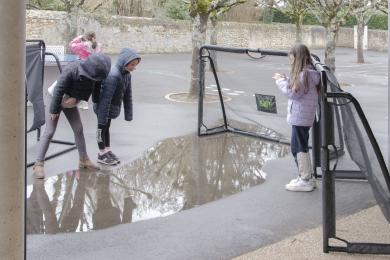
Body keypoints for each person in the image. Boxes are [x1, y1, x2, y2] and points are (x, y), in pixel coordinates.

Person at [32, 53, 111, 179]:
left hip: (71, 100)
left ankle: (83, 159)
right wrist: (54, 110)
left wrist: (78, 99)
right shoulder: (72, 69)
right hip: (55, 99)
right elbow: (58, 90)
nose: (96, 80)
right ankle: (38, 163)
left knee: (78, 129)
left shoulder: (95, 75)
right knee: (50, 131)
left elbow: (90, 91)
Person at [273, 43, 320, 192]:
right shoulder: (308, 73)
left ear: (297, 57)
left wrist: (280, 81)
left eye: (291, 56)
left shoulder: (304, 74)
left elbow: (292, 93)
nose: (290, 59)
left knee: (298, 148)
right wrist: (286, 78)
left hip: (300, 117)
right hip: (303, 117)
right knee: (301, 146)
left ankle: (305, 179)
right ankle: (306, 177)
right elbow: (297, 88)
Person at [93, 48, 141, 165]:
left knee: (107, 128)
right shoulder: (113, 76)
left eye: (136, 65)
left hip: (111, 108)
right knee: (101, 129)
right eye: (132, 64)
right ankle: (101, 153)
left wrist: (128, 114)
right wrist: (102, 117)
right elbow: (105, 99)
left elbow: (127, 95)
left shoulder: (127, 75)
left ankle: (107, 150)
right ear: (124, 62)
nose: (134, 67)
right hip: (103, 108)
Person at [69, 31, 102, 109]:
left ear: (85, 37)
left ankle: (75, 100)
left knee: (78, 83)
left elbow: (71, 45)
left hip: (82, 67)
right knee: (88, 85)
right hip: (92, 68)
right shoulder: (98, 46)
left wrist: (79, 37)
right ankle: (84, 103)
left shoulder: (82, 45)